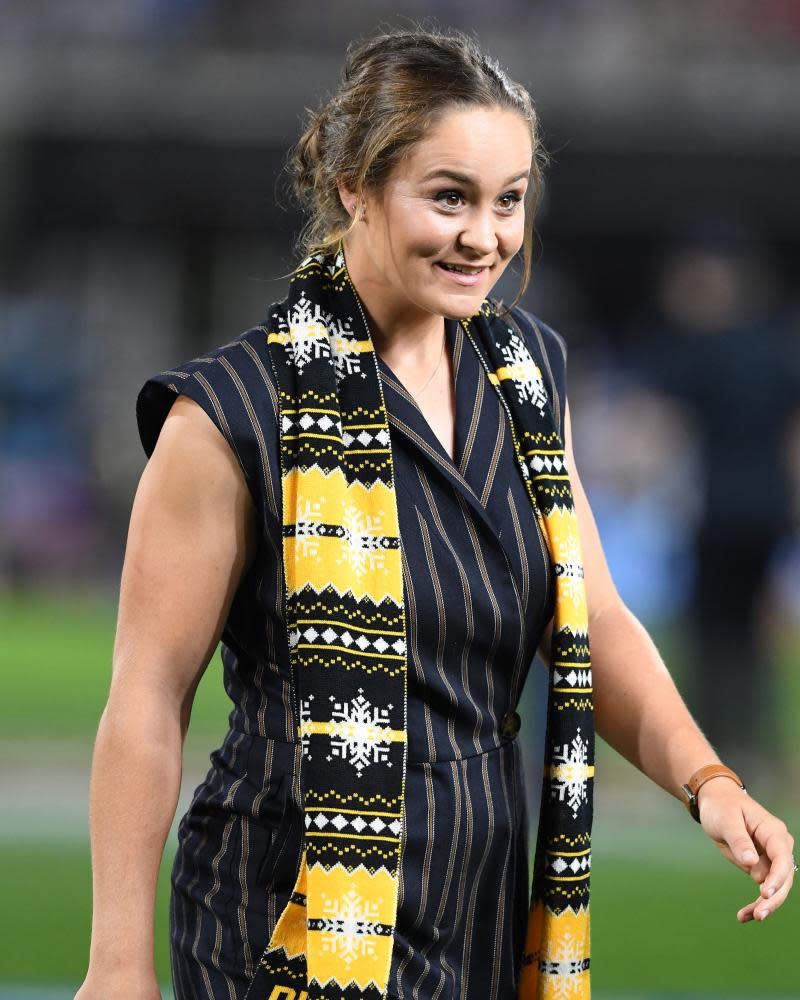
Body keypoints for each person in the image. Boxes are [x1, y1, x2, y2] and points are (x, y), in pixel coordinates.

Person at [74, 26, 795, 1000]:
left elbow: (595, 617)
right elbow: (148, 698)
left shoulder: (527, 374)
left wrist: (707, 781)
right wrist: (117, 964)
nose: (484, 236)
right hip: (282, 919)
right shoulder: (233, 410)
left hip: (482, 913)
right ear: (353, 190)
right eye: (447, 197)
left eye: (506, 202)